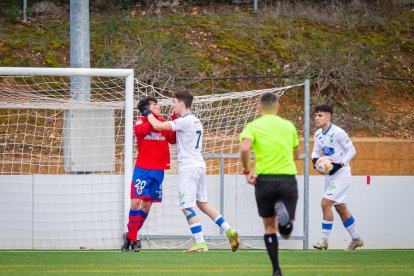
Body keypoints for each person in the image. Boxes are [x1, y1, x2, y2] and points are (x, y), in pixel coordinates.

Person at [145, 91, 239, 253]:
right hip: (199, 165)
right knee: (202, 204)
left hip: (188, 168)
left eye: (174, 102)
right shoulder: (195, 120)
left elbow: (158, 126)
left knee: (186, 206)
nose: (172, 105)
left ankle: (200, 242)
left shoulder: (185, 121)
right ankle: (229, 231)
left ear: (181, 104)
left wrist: (147, 112)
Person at [239, 92, 299, 276]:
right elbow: (295, 152)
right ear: (277, 107)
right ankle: (286, 224)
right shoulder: (288, 126)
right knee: (286, 231)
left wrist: (247, 171)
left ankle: (276, 270)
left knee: (269, 228)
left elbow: (244, 148)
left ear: (260, 108)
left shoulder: (253, 126)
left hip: (265, 181)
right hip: (286, 179)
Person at [121, 96, 176, 252]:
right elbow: (142, 130)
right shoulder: (140, 121)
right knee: (136, 202)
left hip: (158, 171)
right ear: (146, 109)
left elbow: (172, 139)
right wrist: (148, 116)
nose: (158, 107)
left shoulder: (163, 121)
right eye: (154, 105)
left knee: (147, 204)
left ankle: (130, 235)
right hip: (142, 169)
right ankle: (133, 240)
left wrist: (173, 118)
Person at [311, 104, 364, 251]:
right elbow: (315, 153)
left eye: (320, 115)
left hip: (342, 174)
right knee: (340, 207)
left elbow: (352, 150)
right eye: (315, 115)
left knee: (325, 203)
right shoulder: (318, 134)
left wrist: (339, 164)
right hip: (329, 176)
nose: (316, 118)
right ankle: (356, 238)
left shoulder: (338, 132)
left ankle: (324, 240)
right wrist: (316, 163)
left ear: (328, 117)